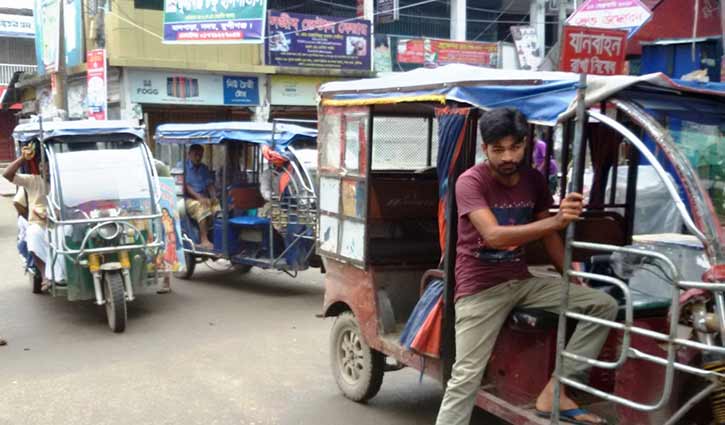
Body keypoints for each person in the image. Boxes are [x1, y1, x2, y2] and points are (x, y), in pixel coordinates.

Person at [435, 108, 617, 425]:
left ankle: (556, 391)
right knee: (465, 377)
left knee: (602, 304)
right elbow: (493, 236)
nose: (508, 156)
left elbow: (549, 237)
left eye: (515, 148)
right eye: (498, 149)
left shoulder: (533, 180)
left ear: (524, 145)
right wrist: (558, 221)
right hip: (480, 289)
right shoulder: (470, 182)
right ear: (485, 149)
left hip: (522, 281)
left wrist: (572, 279)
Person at [3, 144, 65, 290]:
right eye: (44, 166)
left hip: (59, 224)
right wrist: (22, 159)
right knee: (33, 234)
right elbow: (7, 174)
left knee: (64, 237)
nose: (47, 169)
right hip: (39, 223)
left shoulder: (63, 183)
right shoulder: (33, 180)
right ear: (40, 167)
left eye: (50, 166)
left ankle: (60, 275)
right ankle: (45, 275)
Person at [182, 144, 220, 249]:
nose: (198, 157)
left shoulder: (204, 168)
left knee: (218, 208)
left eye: (200, 155)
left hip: (204, 197)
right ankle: (204, 240)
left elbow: (209, 185)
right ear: (189, 154)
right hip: (188, 199)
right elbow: (186, 186)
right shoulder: (183, 167)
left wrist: (213, 197)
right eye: (195, 155)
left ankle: (217, 238)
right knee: (201, 207)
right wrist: (200, 198)